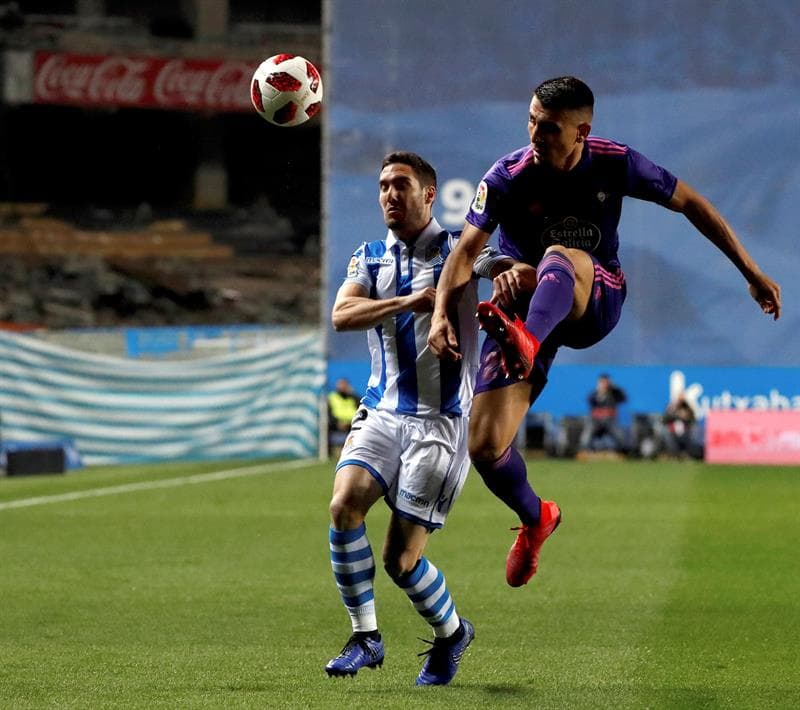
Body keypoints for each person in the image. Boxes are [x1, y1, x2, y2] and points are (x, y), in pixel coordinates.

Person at [427, 76, 781, 589]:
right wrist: (442, 313)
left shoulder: (615, 162)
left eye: (547, 127)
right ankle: (536, 519)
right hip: (527, 307)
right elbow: (466, 253)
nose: (534, 133)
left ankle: (525, 338)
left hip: (595, 296)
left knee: (559, 256)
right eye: (530, 120)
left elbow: (694, 205)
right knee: (483, 446)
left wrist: (751, 273)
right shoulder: (507, 175)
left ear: (581, 131)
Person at [325, 151, 506, 685]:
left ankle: (453, 634)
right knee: (343, 505)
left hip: (441, 423)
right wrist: (410, 302)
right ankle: (366, 637)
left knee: (400, 563)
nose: (388, 194)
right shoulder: (369, 258)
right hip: (382, 413)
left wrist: (514, 271)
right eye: (382, 185)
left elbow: (497, 264)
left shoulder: (459, 249)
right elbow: (341, 315)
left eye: (400, 185)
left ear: (429, 195)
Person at [579, 373, 628, 453]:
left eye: (606, 382)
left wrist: (614, 387)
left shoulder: (614, 393)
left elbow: (624, 398)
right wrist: (600, 393)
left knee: (620, 437)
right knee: (586, 436)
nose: (604, 384)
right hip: (596, 422)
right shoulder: (594, 394)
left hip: (610, 421)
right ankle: (585, 450)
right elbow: (590, 400)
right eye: (602, 382)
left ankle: (623, 453)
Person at [662, 393, 698, 459]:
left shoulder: (687, 408)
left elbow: (693, 419)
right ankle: (673, 454)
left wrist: (686, 416)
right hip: (672, 431)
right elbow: (664, 419)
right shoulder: (671, 407)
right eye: (679, 398)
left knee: (693, 432)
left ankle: (686, 454)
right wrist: (677, 415)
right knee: (666, 433)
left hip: (685, 431)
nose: (680, 400)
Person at [327, 378, 360, 449]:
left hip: (352, 425)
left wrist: (352, 393)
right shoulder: (332, 397)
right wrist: (337, 423)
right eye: (341, 385)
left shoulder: (353, 398)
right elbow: (328, 414)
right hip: (336, 425)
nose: (343, 387)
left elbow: (360, 410)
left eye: (345, 385)